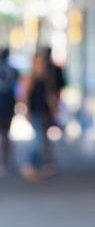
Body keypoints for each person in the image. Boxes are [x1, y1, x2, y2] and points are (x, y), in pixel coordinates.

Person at [21, 52, 58, 181]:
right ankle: (29, 164)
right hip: (35, 112)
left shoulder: (47, 77)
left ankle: (41, 165)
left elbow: (51, 95)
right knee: (38, 140)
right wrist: (25, 111)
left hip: (45, 112)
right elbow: (24, 96)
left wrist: (54, 109)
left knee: (44, 140)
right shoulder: (30, 77)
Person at [0, 47, 18, 176]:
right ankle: (6, 162)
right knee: (6, 134)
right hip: (8, 104)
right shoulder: (13, 70)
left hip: (5, 103)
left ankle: (5, 162)